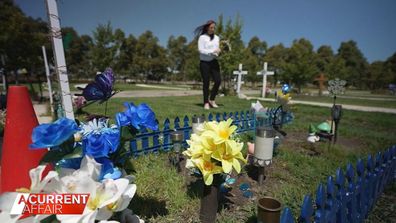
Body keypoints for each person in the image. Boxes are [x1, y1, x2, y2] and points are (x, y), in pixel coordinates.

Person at [194, 20, 221, 110]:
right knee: (206, 82)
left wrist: (218, 51)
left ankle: (212, 100)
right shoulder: (202, 37)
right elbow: (200, 50)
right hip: (204, 63)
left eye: (214, 27)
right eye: (211, 27)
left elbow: (216, 49)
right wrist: (211, 52)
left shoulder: (217, 38)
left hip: (214, 61)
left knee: (218, 80)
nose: (213, 29)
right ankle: (206, 102)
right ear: (207, 28)